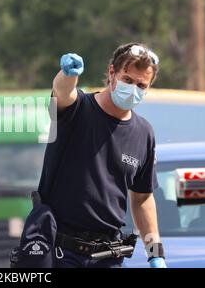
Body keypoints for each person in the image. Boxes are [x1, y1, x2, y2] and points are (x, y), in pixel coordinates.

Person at [38, 43, 166, 268]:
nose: (133, 88)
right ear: (111, 73)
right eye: (127, 79)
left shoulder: (144, 133)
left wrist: (156, 255)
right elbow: (62, 92)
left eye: (141, 85)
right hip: (60, 251)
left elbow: (142, 198)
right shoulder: (77, 108)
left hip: (108, 257)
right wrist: (67, 74)